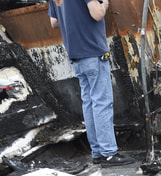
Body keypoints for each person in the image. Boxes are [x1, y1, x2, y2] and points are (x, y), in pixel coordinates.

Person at [48, 0, 135, 166]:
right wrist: (105, 4)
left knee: (89, 103)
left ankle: (97, 152)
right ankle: (109, 153)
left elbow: (54, 22)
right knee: (102, 102)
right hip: (92, 51)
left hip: (76, 55)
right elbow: (97, 14)